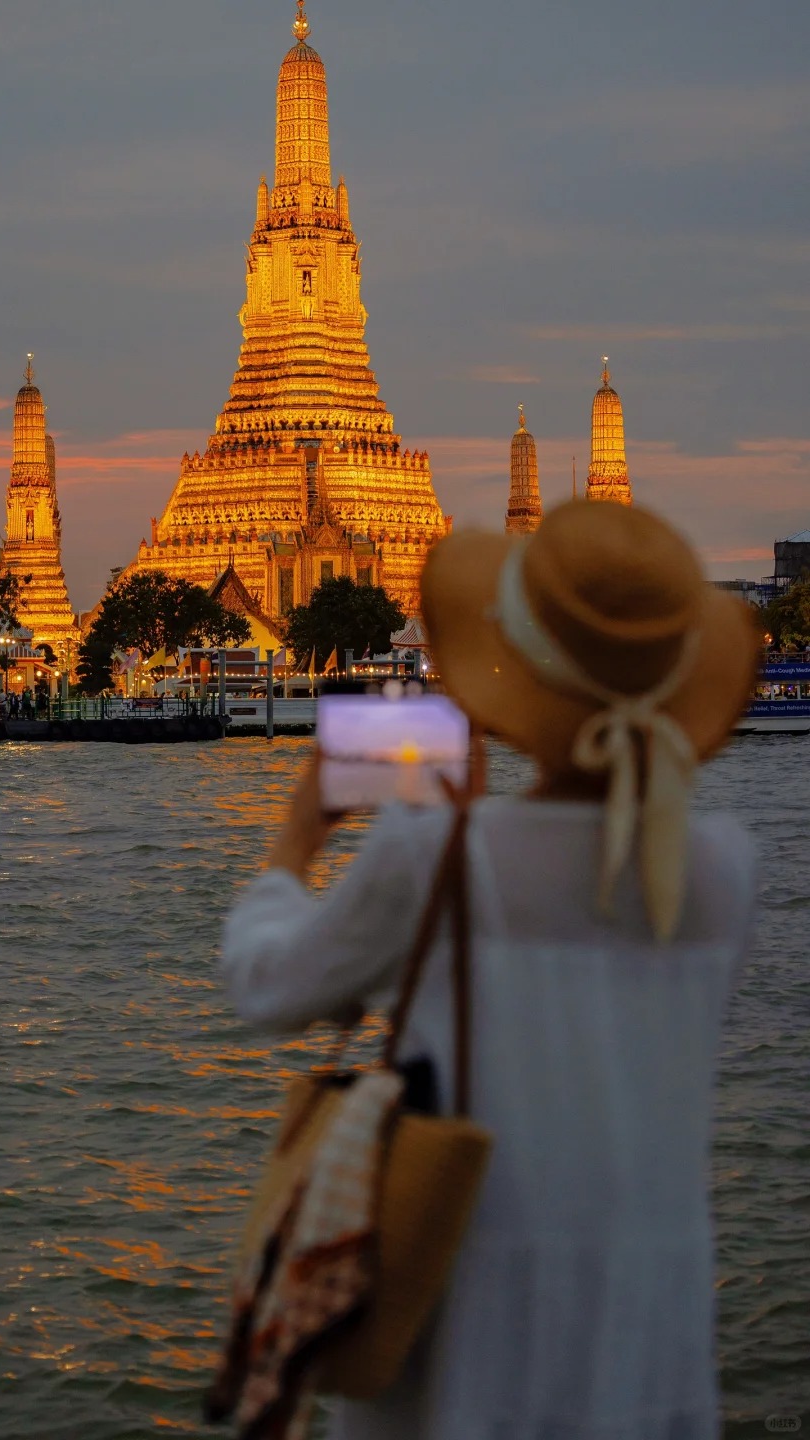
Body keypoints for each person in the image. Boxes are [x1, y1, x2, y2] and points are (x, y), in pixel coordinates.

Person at [220, 501, 759, 1440]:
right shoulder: (721, 873)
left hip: (470, 1359)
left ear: (518, 674)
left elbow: (266, 985)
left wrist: (298, 836)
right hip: (648, 1356)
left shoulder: (439, 859)